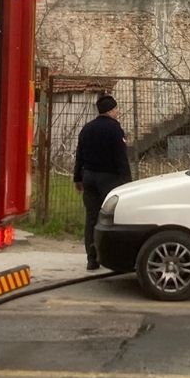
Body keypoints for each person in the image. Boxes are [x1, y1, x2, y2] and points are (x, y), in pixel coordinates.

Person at [73, 93, 132, 270]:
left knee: (91, 218)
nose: (117, 112)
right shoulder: (115, 129)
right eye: (116, 109)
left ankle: (92, 259)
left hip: (89, 177)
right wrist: (127, 181)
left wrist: (77, 178)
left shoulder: (87, 128)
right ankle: (113, 257)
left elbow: (79, 155)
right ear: (111, 110)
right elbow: (121, 157)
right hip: (109, 179)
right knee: (111, 217)